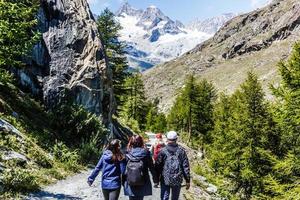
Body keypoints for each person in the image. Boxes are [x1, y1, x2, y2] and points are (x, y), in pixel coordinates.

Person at [155, 131, 191, 200]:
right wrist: (187, 180)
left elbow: (157, 166)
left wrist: (156, 179)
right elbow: (185, 166)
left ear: (167, 139)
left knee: (164, 197)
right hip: (177, 178)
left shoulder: (163, 150)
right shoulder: (181, 151)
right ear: (176, 139)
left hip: (165, 178)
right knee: (175, 198)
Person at [124, 135, 158, 200]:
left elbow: (123, 169)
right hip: (143, 180)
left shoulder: (127, 153)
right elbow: (151, 167)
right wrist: (155, 180)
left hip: (130, 180)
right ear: (141, 142)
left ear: (131, 142)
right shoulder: (146, 153)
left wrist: (123, 181)